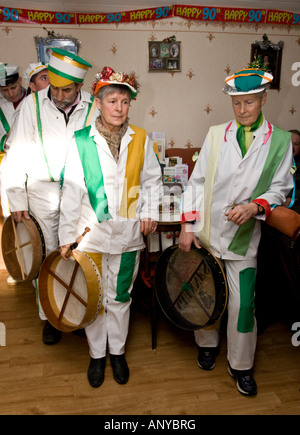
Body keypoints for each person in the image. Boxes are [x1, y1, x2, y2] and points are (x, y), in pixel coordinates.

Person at [179, 65, 293, 396]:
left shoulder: (281, 140)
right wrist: (187, 226)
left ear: (263, 99)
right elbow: (196, 183)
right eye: (237, 104)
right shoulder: (217, 134)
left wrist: (255, 206)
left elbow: (281, 188)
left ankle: (240, 365)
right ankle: (207, 344)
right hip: (208, 236)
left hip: (245, 241)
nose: (243, 110)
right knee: (205, 296)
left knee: (243, 305)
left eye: (250, 103)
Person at [58, 66, 162, 388]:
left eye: (125, 102)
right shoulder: (80, 141)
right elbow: (72, 191)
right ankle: (96, 355)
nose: (119, 108)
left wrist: (151, 211)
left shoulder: (141, 138)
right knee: (96, 297)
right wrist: (65, 237)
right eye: (112, 101)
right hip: (92, 236)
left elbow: (152, 181)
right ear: (99, 103)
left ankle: (117, 352)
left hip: (129, 235)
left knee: (120, 297)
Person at [5, 48, 98, 344]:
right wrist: (16, 198)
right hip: (41, 193)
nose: (58, 96)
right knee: (43, 256)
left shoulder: (94, 108)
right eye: (54, 88)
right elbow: (14, 152)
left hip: (80, 195)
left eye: (66, 90)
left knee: (76, 253)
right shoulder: (31, 106)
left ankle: (77, 311)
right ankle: (49, 315)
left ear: (79, 87)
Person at [0, 63, 26, 218]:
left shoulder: (32, 100)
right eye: (4, 90)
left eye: (13, 88)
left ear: (20, 81)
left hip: (30, 159)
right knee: (10, 205)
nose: (10, 93)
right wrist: (4, 140)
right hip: (6, 159)